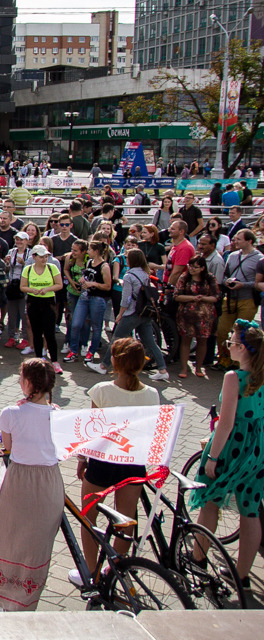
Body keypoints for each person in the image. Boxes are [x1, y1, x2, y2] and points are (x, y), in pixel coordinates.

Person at [72, 338, 160, 584]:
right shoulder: (152, 394)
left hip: (103, 461)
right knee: (126, 519)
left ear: (115, 361)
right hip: (133, 462)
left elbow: (92, 431)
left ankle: (91, 572)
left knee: (88, 518)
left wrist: (82, 458)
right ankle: (117, 569)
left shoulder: (101, 390)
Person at [188, 319, 264, 594]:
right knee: (250, 508)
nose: (227, 346)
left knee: (210, 501)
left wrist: (212, 456)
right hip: (258, 447)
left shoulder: (234, 378)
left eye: (231, 342)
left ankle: (197, 558)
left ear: (243, 348)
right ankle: (242, 575)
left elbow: (226, 423)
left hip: (234, 446)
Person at [0, 357, 62, 611]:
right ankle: (28, 599)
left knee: (9, 537)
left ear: (27, 383)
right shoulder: (58, 415)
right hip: (50, 481)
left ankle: (4, 595)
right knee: (37, 543)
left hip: (20, 480)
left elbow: (9, 447)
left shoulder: (11, 413)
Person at [89, 249, 169, 379]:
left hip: (132, 313)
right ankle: (162, 370)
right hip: (145, 313)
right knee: (150, 342)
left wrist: (120, 314)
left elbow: (126, 299)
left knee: (116, 339)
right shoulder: (145, 273)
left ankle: (104, 366)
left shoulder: (128, 276)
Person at [215, 230, 262, 371]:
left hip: (247, 300)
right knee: (222, 330)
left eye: (238, 239)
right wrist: (227, 282)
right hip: (230, 300)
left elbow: (259, 283)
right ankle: (224, 360)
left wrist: (243, 285)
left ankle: (240, 363)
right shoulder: (232, 256)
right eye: (234, 239)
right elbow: (224, 276)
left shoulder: (259, 258)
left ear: (249, 241)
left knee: (243, 334)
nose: (234, 241)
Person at [174, 255, 218, 379]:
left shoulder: (209, 278)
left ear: (202, 268)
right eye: (190, 266)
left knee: (202, 341)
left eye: (195, 267)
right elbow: (177, 295)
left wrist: (203, 298)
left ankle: (198, 367)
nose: (191, 269)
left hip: (205, 316)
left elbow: (215, 296)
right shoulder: (184, 277)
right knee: (186, 341)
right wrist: (193, 298)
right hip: (186, 315)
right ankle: (184, 368)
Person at [21, 244, 63, 371]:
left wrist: (47, 289)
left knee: (49, 333)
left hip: (48, 302)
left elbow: (59, 284)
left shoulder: (52, 268)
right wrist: (32, 290)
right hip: (33, 302)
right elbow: (23, 287)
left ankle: (55, 361)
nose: (44, 259)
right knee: (36, 332)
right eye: (41, 257)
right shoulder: (28, 269)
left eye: (46, 257)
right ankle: (39, 360)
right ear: (34, 257)